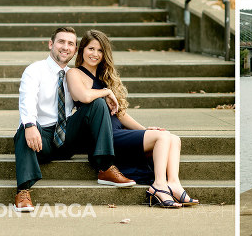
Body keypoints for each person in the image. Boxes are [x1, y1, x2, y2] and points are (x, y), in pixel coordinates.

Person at [66, 29, 199, 208]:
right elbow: (83, 96)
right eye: (91, 48)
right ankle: (159, 185)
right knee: (162, 138)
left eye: (100, 50)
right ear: (82, 49)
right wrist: (106, 92)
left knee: (172, 138)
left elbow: (120, 114)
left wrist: (145, 130)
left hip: (119, 132)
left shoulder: (104, 78)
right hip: (105, 138)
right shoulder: (74, 74)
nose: (95, 54)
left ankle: (173, 183)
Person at [14, 27, 136, 213]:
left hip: (67, 136)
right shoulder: (35, 70)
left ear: (75, 49)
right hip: (41, 137)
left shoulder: (73, 74)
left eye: (70, 43)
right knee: (24, 129)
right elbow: (27, 100)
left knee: (98, 104)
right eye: (61, 42)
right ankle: (23, 191)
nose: (65, 47)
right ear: (51, 44)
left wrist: (106, 92)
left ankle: (105, 167)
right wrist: (30, 125)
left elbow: (86, 96)